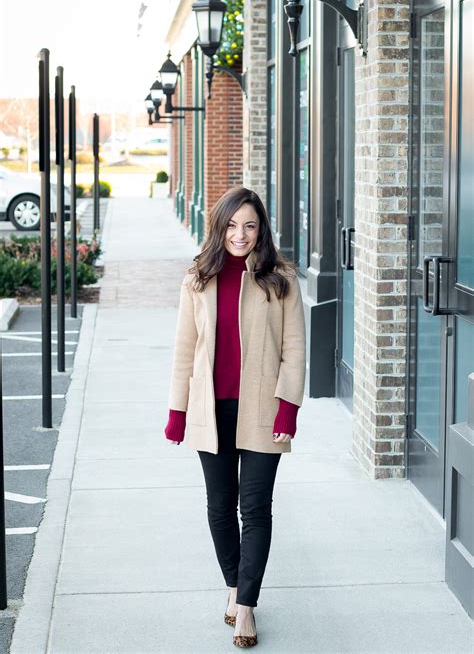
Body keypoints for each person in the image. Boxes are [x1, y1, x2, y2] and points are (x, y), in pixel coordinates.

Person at [164, 186, 306, 648]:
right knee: (220, 508)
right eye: (231, 225)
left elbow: (295, 350)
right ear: (218, 227)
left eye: (249, 225)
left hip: (264, 410)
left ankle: (245, 608)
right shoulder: (197, 279)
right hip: (212, 409)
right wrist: (177, 411)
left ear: (261, 229)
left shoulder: (280, 279)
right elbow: (185, 351)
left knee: (256, 508)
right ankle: (233, 587)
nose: (240, 234)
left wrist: (289, 407)